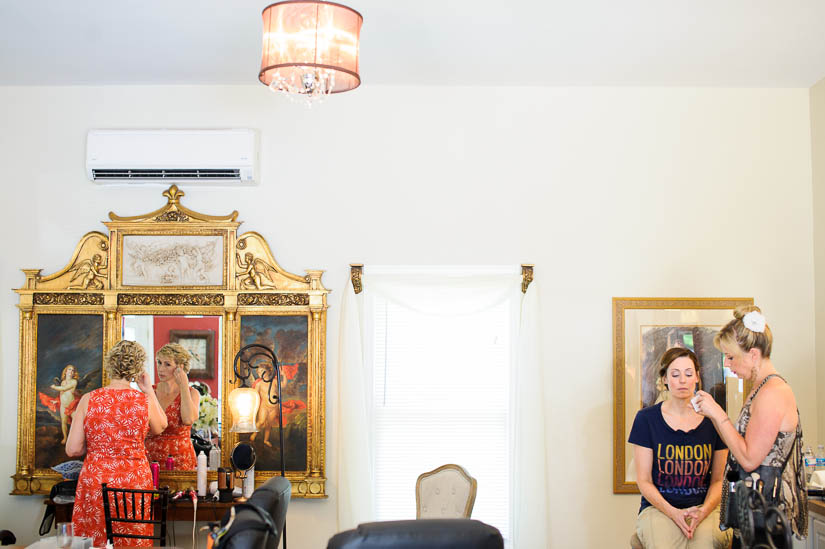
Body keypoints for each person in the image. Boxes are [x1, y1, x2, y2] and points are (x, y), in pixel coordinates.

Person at [692, 306, 807, 545]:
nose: (727, 363)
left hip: (765, 515)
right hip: (754, 512)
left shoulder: (772, 393)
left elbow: (748, 458)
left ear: (754, 354)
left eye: (731, 357)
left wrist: (717, 413)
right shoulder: (760, 388)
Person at [67, 340, 167, 547]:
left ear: (109, 365)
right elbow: (160, 426)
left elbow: (73, 449)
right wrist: (148, 389)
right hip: (134, 482)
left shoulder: (88, 399)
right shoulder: (143, 400)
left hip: (96, 480)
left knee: (96, 539)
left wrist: (96, 445)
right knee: (132, 539)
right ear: (137, 368)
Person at [629, 347, 731, 548]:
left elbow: (719, 480)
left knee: (705, 544)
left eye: (688, 373)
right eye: (675, 374)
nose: (682, 380)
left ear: (697, 377)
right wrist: (673, 513)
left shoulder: (714, 419)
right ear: (665, 379)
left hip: (705, 508)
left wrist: (703, 511)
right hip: (658, 509)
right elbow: (644, 481)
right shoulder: (646, 419)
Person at [144, 343, 200, 470]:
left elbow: (188, 419)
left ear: (180, 367)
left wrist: (184, 385)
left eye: (167, 364)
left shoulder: (192, 393)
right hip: (150, 459)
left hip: (180, 460)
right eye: (159, 362)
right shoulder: (149, 391)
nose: (160, 368)